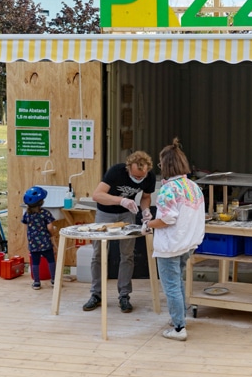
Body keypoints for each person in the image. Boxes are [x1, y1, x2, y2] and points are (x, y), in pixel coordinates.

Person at [143, 139, 206, 341]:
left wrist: (148, 224)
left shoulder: (168, 189)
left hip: (170, 244)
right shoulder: (193, 186)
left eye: (161, 164)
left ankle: (179, 328)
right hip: (188, 242)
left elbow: (167, 219)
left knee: (171, 285)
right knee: (177, 281)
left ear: (167, 165)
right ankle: (179, 318)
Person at [83, 151, 156, 313]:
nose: (138, 179)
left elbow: (145, 197)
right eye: (136, 176)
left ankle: (124, 295)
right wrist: (121, 200)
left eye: (141, 177)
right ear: (128, 168)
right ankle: (96, 294)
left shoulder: (149, 177)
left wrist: (146, 211)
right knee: (98, 254)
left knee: (127, 254)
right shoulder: (116, 171)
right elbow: (97, 195)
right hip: (105, 213)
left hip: (127, 213)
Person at [22, 186, 56, 290]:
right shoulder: (45, 213)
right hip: (45, 242)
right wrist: (53, 233)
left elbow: (26, 227)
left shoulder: (27, 214)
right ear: (41, 202)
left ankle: (36, 282)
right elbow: (50, 227)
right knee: (51, 260)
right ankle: (54, 280)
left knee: (35, 262)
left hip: (33, 242)